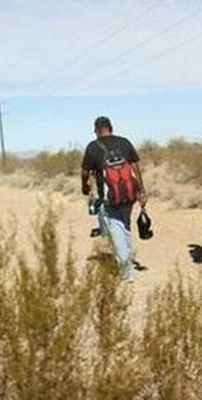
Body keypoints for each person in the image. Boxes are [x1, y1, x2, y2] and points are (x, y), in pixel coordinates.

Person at [81, 116, 148, 282]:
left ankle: (126, 272)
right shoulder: (124, 142)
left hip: (110, 198)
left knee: (116, 229)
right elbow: (135, 167)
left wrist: (85, 186)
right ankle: (128, 262)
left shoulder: (93, 147)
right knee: (125, 226)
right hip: (129, 194)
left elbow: (85, 171)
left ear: (96, 130)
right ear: (111, 128)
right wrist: (141, 190)